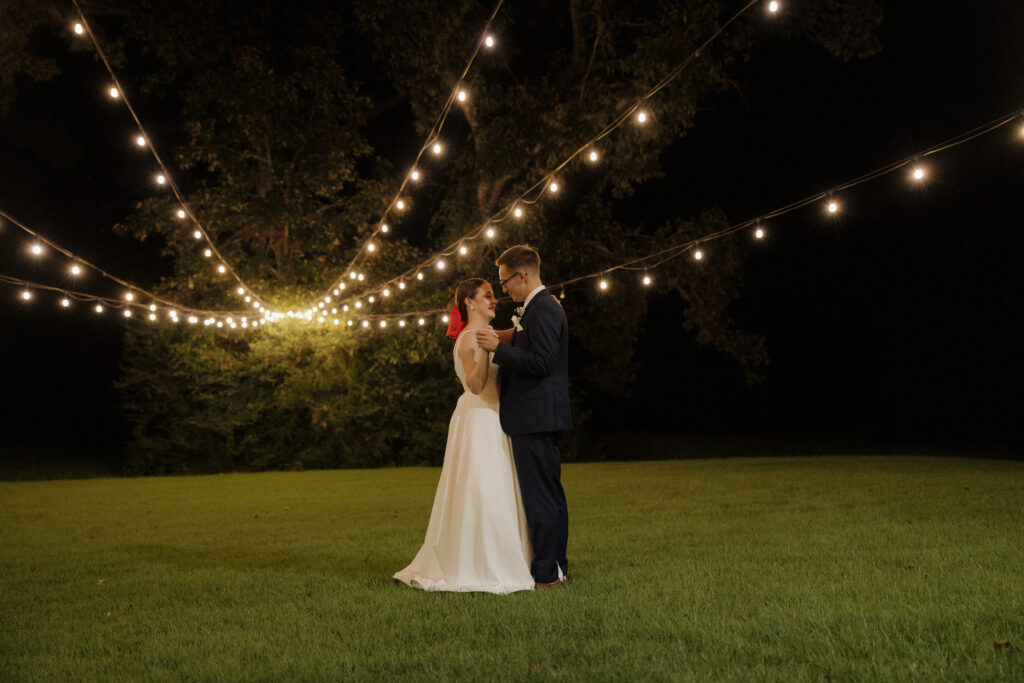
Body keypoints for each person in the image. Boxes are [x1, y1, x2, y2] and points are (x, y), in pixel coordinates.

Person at [393, 279, 535, 593]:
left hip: (494, 418)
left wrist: (528, 323)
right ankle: (481, 563)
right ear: (468, 302)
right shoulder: (471, 337)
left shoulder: (486, 334)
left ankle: (504, 556)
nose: (493, 300)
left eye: (493, 296)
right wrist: (486, 349)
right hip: (480, 418)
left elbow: (515, 337)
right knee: (483, 491)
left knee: (495, 489)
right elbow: (475, 384)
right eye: (487, 295)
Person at [476, 244, 571, 589]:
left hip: (536, 416)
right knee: (550, 494)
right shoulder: (537, 308)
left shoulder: (542, 308)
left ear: (522, 275)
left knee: (540, 498)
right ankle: (557, 567)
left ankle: (546, 574)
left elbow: (543, 362)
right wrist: (501, 337)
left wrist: (498, 351)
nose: (503, 291)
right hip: (540, 416)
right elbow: (527, 343)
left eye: (504, 283)